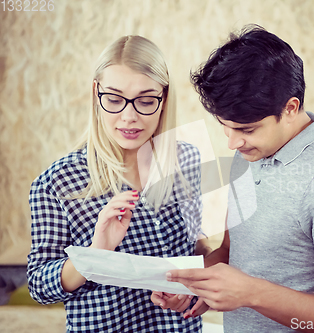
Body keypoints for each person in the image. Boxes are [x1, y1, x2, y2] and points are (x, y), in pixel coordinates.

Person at [157, 25, 314, 332]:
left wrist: (251, 293)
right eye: (225, 126)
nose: (232, 143)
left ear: (290, 108)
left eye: (246, 129)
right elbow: (230, 252)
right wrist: (192, 284)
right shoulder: (249, 152)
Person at [28, 35, 209, 333]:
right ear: (96, 94)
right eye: (113, 99)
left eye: (146, 101)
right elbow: (38, 287)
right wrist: (95, 252)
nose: (129, 117)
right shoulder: (56, 183)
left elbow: (195, 243)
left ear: (164, 99)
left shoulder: (187, 159)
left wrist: (191, 283)